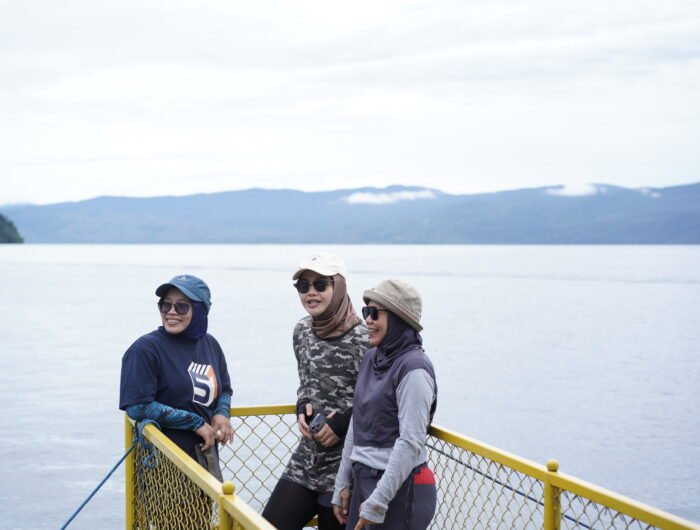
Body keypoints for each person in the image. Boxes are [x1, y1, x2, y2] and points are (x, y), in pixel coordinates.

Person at [262, 252, 369, 530]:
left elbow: (379, 402)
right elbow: (306, 384)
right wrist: (303, 405)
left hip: (347, 467)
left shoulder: (364, 339)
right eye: (303, 286)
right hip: (307, 459)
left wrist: (342, 423)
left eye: (320, 285)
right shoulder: (302, 331)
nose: (311, 292)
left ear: (339, 287)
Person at [332, 279, 438, 530]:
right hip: (364, 481)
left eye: (375, 313)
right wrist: (342, 482)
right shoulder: (372, 358)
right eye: (366, 311)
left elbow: (410, 441)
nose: (367, 320)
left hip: (402, 489)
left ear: (399, 319)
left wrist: (379, 500)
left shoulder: (414, 370)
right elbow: (357, 423)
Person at [119, 274, 234, 479]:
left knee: (210, 501)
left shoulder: (210, 345)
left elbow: (224, 389)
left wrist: (222, 413)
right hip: (161, 464)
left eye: (181, 306)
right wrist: (195, 422)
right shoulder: (145, 349)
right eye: (166, 305)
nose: (171, 312)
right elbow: (137, 406)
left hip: (204, 456)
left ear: (200, 310)